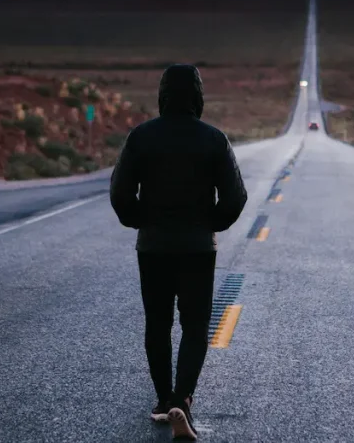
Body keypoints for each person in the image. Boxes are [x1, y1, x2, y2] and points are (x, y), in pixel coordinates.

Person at [110, 64, 248, 440]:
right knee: (195, 325)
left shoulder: (141, 137)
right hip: (197, 248)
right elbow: (236, 197)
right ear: (198, 96)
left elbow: (120, 194)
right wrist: (211, 224)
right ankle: (182, 400)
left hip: (153, 246)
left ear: (163, 95)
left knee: (158, 324)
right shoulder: (213, 139)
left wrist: (141, 221)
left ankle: (161, 400)